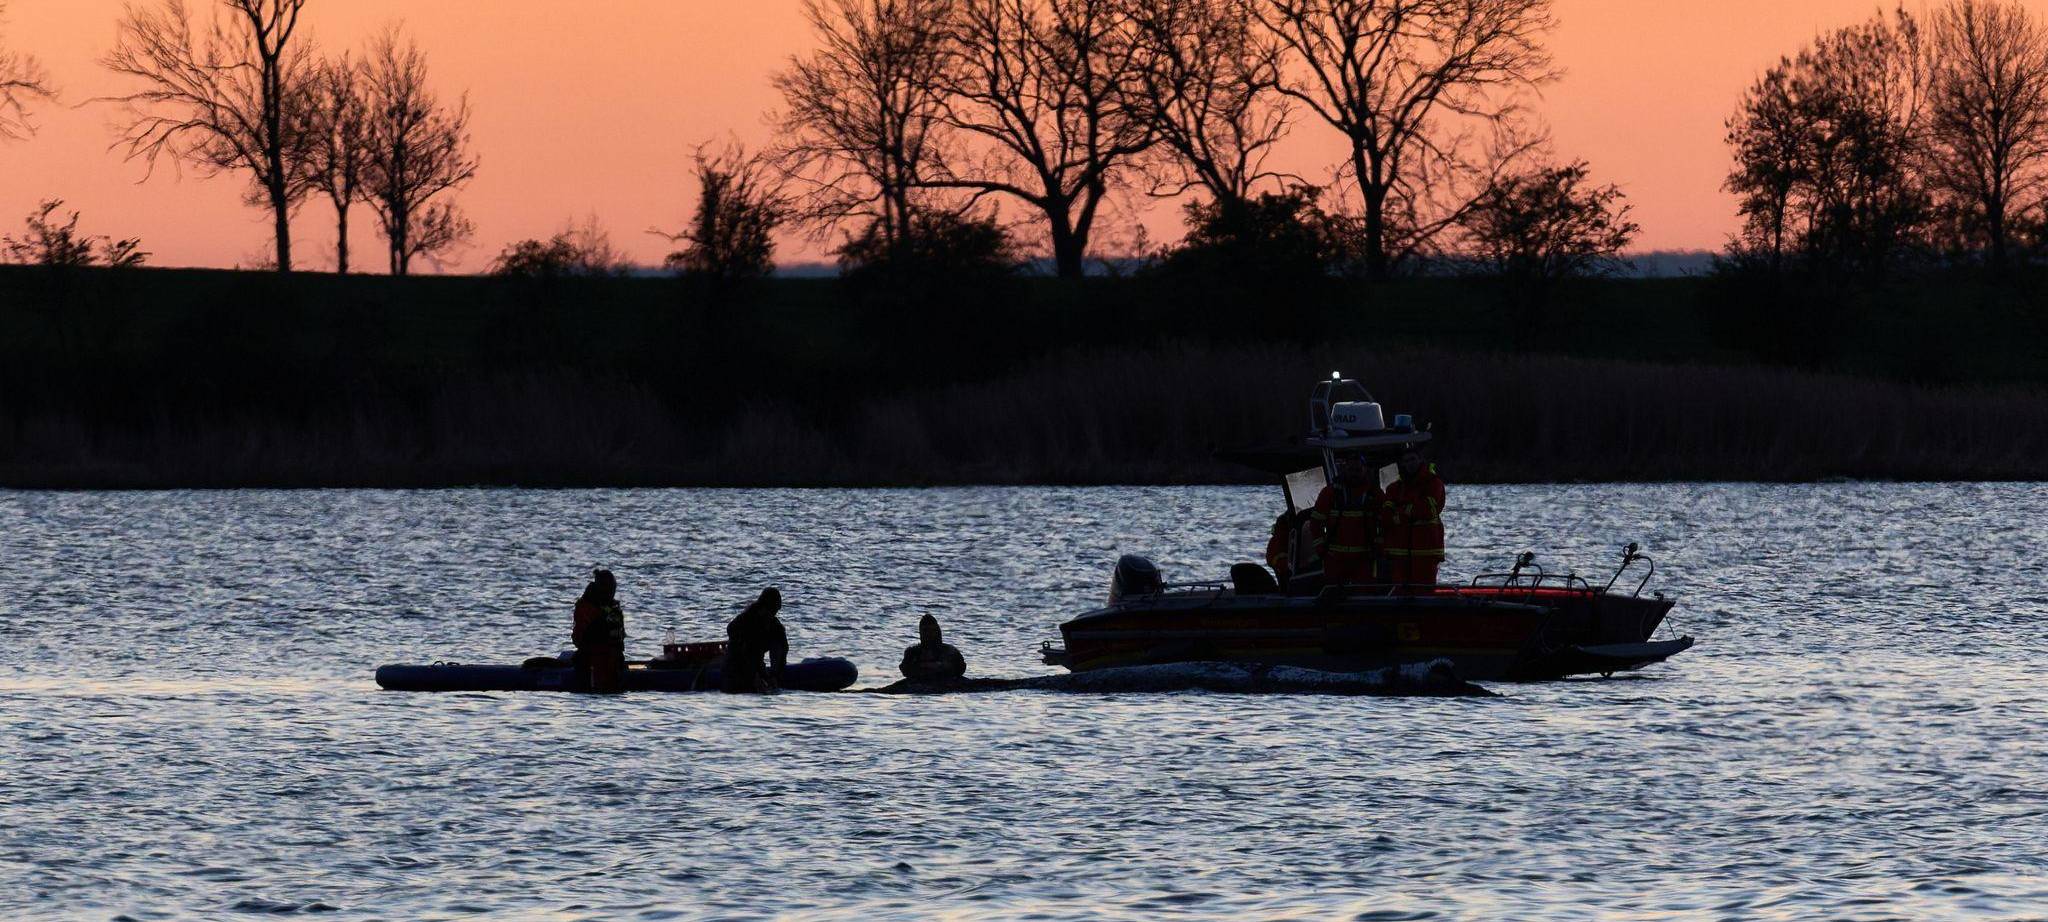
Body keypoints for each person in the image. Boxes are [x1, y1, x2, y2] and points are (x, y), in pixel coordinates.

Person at [1308, 454, 1383, 585]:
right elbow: (1315, 524)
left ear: (1365, 470)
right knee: (1333, 592)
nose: (1354, 473)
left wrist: (1379, 546)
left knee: (1365, 593)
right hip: (1335, 558)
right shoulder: (1330, 493)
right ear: (1344, 470)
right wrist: (1322, 549)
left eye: (1358, 470)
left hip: (1364, 558)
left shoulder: (1375, 494)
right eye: (1351, 470)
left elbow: (1385, 524)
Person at [1382, 445, 1446, 586]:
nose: (1410, 463)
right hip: (1399, 552)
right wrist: (1408, 510)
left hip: (1426, 551)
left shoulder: (1433, 483)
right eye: (1406, 461)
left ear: (1420, 460)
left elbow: (1428, 510)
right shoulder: (1394, 487)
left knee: (1424, 591)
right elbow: (1386, 516)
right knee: (1399, 590)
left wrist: (1401, 513)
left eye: (1413, 459)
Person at [721, 587, 789, 693]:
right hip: (739, 661)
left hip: (756, 659)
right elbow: (749, 651)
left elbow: (784, 648)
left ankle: (773, 676)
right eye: (771, 609)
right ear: (763, 607)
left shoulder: (775, 626)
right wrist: (756, 675)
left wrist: (775, 674)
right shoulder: (747, 619)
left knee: (778, 642)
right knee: (744, 650)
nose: (773, 614)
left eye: (776, 610)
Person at [571, 569, 627, 693]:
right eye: (609, 589)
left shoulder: (613, 609)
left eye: (613, 588)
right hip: (591, 660)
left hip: (613, 658)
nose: (612, 592)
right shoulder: (587, 607)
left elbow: (620, 637)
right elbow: (579, 639)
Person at [899, 614, 967, 683]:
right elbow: (905, 669)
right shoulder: (912, 652)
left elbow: (961, 668)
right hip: (919, 684)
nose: (929, 633)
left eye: (932, 630)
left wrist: (937, 667)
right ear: (920, 632)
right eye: (925, 630)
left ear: (938, 631)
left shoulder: (950, 651)